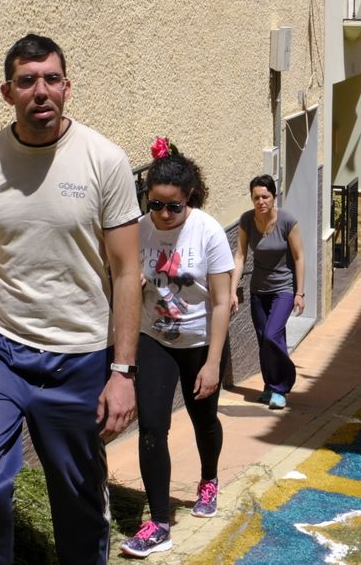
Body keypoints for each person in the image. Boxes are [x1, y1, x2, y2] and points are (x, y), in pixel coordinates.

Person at [0, 33, 142, 565]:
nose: (41, 91)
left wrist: (124, 370)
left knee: (79, 500)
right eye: (27, 81)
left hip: (80, 355)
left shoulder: (104, 160)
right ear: (7, 92)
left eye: (51, 79)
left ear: (67, 87)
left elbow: (129, 271)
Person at [120, 142, 234, 558]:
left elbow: (222, 301)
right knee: (152, 427)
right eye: (156, 205)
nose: (165, 215)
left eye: (174, 207)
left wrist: (213, 363)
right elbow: (128, 282)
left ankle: (208, 479)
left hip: (200, 344)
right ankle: (159, 522)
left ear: (189, 199)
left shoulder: (208, 232)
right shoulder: (138, 228)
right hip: (155, 341)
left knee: (204, 420)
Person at [236, 175, 305, 410]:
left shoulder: (287, 221)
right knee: (263, 339)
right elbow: (240, 256)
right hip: (258, 289)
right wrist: (234, 289)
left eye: (265, 196)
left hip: (283, 289)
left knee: (272, 335)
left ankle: (281, 387)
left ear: (274, 197)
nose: (261, 201)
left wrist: (300, 293)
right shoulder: (246, 220)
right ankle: (269, 386)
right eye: (256, 197)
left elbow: (299, 257)